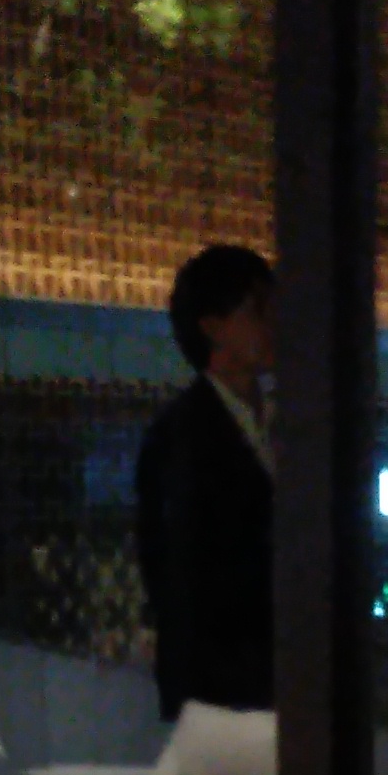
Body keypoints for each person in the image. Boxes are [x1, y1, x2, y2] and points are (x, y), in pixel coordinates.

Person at [135, 242, 275, 729]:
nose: (274, 323)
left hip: (278, 685)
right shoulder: (180, 437)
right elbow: (180, 580)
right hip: (225, 695)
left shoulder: (286, 423)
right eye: (257, 309)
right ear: (213, 326)